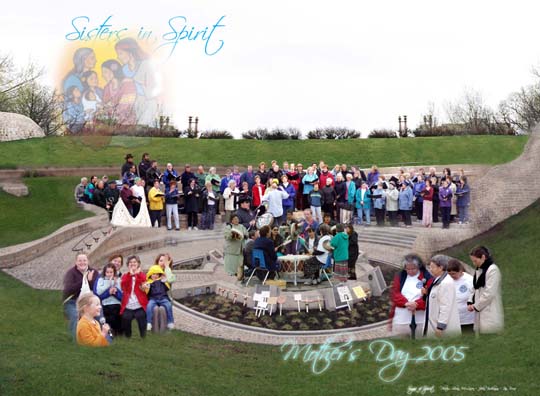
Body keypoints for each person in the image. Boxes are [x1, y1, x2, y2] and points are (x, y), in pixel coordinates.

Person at [389, 254, 432, 338]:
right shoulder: (400, 276)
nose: (410, 271)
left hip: (421, 319)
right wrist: (406, 303)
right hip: (401, 319)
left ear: (418, 267)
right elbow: (395, 294)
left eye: (413, 269)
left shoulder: (427, 278)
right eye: (408, 269)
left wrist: (416, 304)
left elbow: (430, 295)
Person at [467, 246, 504, 334]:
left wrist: (476, 306)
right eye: (472, 261)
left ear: (483, 257)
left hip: (490, 309)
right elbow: (475, 287)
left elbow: (489, 293)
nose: (474, 263)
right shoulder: (479, 270)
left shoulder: (493, 270)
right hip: (480, 310)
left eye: (475, 261)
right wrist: (470, 301)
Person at [423, 255, 461, 338]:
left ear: (440, 268)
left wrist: (440, 326)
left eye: (432, 267)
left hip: (441, 328)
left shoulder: (446, 283)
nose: (430, 270)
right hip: (433, 323)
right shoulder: (437, 280)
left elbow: (445, 306)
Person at [63, 253, 98, 340]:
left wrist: (90, 281)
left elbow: (97, 289)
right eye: (80, 260)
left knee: (99, 315)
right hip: (72, 302)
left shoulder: (93, 272)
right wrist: (85, 280)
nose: (82, 262)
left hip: (88, 302)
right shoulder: (70, 273)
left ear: (88, 261)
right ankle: (77, 340)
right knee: (76, 316)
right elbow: (68, 290)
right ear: (76, 262)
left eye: (84, 260)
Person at [120, 255, 148, 338]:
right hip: (128, 305)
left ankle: (143, 336)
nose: (133, 264)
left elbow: (143, 286)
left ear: (138, 264)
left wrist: (137, 275)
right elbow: (123, 286)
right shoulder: (125, 276)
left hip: (139, 305)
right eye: (131, 262)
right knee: (126, 318)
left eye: (135, 262)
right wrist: (130, 275)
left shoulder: (142, 275)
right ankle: (128, 336)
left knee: (141, 317)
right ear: (128, 264)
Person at [447, 259, 475, 333]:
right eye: (449, 274)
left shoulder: (469, 280)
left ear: (460, 270)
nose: (451, 276)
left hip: (468, 319)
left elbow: (476, 295)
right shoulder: (447, 280)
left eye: (453, 273)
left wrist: (472, 303)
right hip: (453, 318)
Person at [95, 263, 123, 336]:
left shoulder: (118, 280)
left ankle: (117, 332)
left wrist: (115, 289)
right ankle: (109, 331)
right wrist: (109, 284)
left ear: (114, 272)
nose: (109, 274)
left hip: (116, 303)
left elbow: (121, 293)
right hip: (105, 303)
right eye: (107, 272)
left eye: (111, 272)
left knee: (116, 315)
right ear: (104, 272)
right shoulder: (101, 280)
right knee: (108, 316)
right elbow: (99, 291)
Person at [145, 265, 175, 331]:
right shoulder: (149, 283)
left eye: (157, 274)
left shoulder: (162, 281)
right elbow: (147, 293)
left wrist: (164, 282)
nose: (155, 276)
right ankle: (148, 322)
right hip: (153, 299)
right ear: (150, 274)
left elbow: (167, 288)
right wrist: (147, 288)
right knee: (149, 306)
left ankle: (170, 322)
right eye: (153, 274)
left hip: (163, 298)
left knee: (168, 305)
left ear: (159, 275)